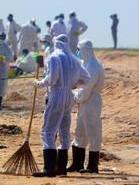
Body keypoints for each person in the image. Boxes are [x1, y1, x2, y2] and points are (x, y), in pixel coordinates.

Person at [32, 35, 90, 177]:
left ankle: (49, 168)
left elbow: (52, 79)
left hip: (57, 94)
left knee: (48, 130)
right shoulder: (73, 59)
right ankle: (61, 168)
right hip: (69, 95)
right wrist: (74, 84)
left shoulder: (54, 57)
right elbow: (86, 78)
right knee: (64, 130)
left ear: (55, 43)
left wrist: (38, 83)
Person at [68, 40, 105, 174]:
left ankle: (92, 166)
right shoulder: (86, 63)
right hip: (84, 102)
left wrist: (74, 97)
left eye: (79, 49)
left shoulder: (94, 65)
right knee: (80, 132)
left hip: (91, 102)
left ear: (84, 50)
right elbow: (81, 82)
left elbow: (87, 88)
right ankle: (77, 164)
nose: (77, 52)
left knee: (93, 132)